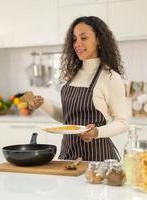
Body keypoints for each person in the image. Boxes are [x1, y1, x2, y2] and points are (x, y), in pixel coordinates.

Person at [30, 16, 129, 161]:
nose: (78, 43)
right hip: (68, 156)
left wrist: (96, 132)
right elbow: (68, 118)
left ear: (99, 40)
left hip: (97, 160)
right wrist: (43, 104)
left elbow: (122, 122)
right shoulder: (72, 75)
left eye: (84, 37)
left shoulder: (110, 77)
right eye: (75, 39)